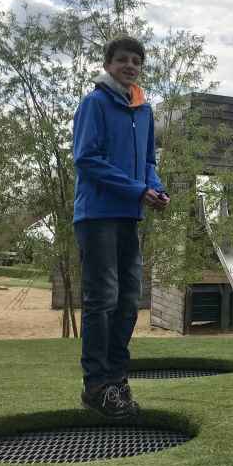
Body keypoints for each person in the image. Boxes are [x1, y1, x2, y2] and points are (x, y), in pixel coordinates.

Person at [72, 35, 169, 419]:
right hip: (96, 216)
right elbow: (86, 159)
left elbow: (149, 161)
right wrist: (136, 189)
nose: (131, 66)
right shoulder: (94, 104)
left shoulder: (143, 111)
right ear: (109, 64)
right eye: (123, 60)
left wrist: (155, 188)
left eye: (137, 61)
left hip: (130, 215)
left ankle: (116, 377)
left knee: (130, 298)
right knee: (103, 299)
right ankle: (96, 385)